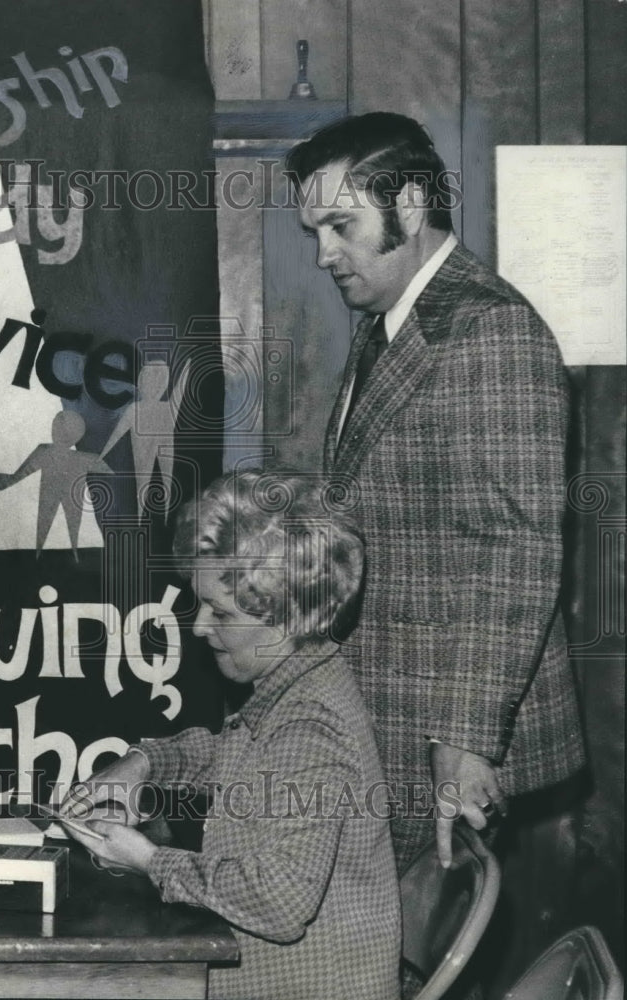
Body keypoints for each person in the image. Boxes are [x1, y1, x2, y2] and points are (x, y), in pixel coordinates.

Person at [285, 112, 585, 872]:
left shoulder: (490, 330)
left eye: (340, 226)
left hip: (442, 725)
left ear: (410, 206)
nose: (324, 254)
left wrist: (463, 738)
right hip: (391, 705)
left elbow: (514, 551)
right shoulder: (396, 319)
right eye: (314, 231)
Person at [60, 470, 401, 1000]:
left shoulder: (311, 724)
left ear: (289, 616)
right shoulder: (302, 679)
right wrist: (144, 763)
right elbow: (231, 752)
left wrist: (148, 859)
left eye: (219, 611)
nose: (198, 627)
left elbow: (280, 903)